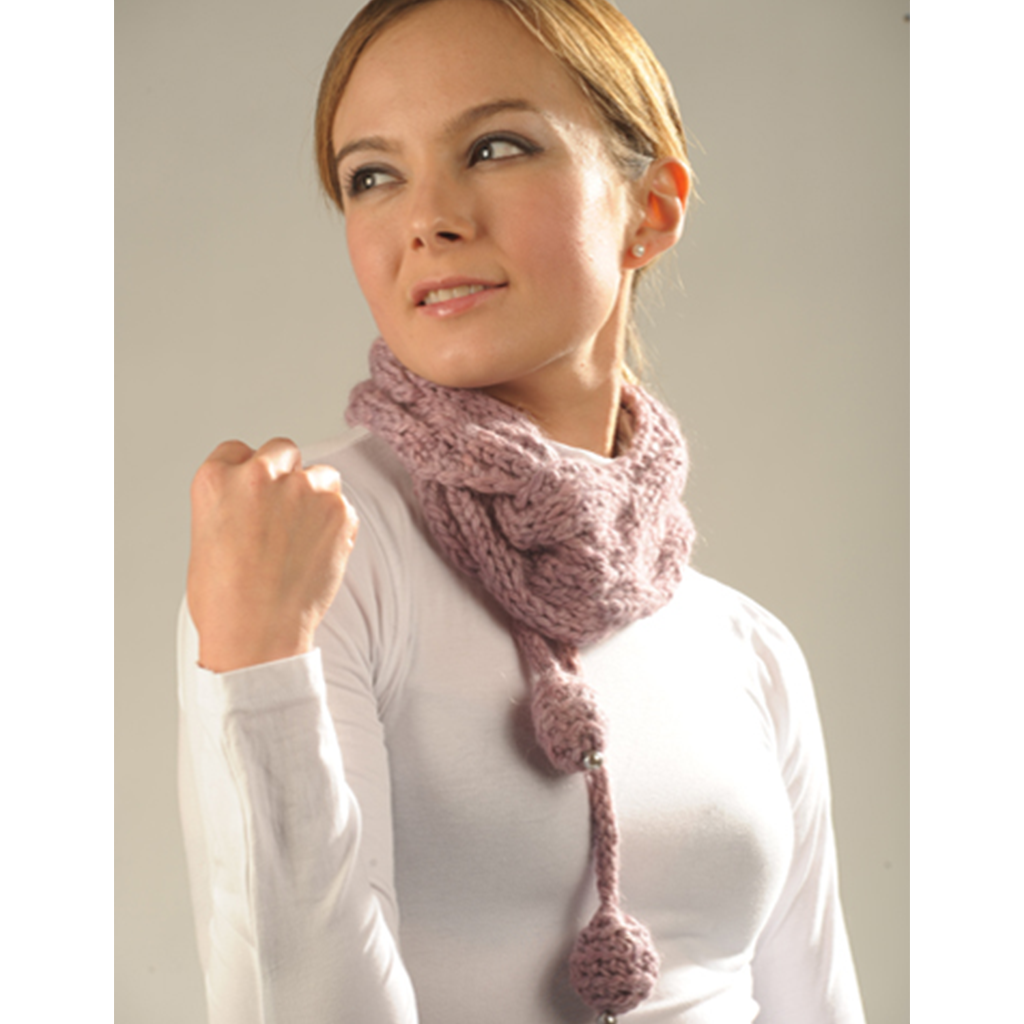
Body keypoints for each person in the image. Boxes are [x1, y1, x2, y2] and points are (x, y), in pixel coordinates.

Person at [177, 1, 867, 1022]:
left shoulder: (747, 646)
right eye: (372, 175)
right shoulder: (309, 548)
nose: (429, 217)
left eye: (495, 148)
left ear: (651, 208)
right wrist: (258, 669)